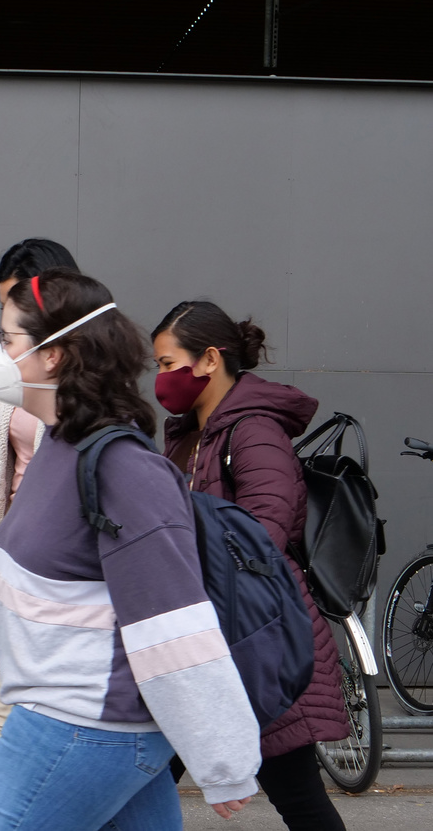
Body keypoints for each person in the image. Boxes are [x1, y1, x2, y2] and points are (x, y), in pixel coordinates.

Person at [0, 270, 260, 829]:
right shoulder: (59, 445)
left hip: (83, 727)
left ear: (55, 356)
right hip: (76, 722)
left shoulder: (124, 472)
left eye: (8, 340)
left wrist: (223, 761)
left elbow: (174, 624)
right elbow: (20, 567)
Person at [152, 301, 349, 831]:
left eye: (169, 364)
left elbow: (263, 533)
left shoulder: (254, 432)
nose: (161, 379)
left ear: (210, 359)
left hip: (255, 635)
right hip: (208, 637)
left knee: (300, 799)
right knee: (142, 783)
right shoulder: (191, 435)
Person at [0, 239, 79, 738]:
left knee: (22, 712)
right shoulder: (10, 363)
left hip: (63, 570)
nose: (8, 315)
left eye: (16, 301)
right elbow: (15, 459)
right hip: (17, 553)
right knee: (14, 709)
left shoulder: (84, 376)